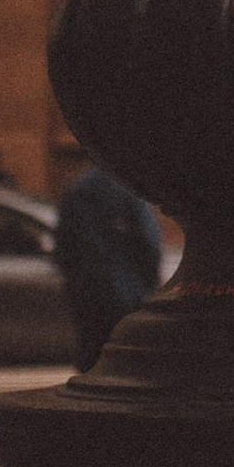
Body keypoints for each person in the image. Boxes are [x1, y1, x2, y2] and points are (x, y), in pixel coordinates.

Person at [53, 161, 165, 375]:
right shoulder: (128, 191)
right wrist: (150, 285)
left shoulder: (77, 191)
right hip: (127, 293)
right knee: (125, 359)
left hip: (86, 293)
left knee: (91, 356)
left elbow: (63, 248)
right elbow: (148, 243)